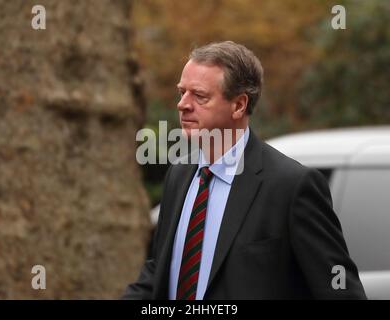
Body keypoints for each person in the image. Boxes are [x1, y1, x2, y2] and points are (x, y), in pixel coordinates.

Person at [123, 41, 367, 299]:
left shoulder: (292, 186)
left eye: (199, 96)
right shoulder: (179, 174)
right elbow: (159, 272)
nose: (183, 104)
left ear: (239, 105)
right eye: (182, 92)